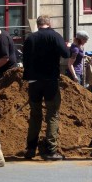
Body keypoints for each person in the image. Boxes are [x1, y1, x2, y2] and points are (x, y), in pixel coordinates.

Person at [22, 15, 70, 160]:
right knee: (52, 115)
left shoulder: (30, 38)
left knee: (35, 114)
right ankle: (50, 150)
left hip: (34, 81)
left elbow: (24, 59)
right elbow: (66, 54)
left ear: (37, 24)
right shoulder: (55, 36)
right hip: (50, 80)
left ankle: (30, 149)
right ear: (49, 23)